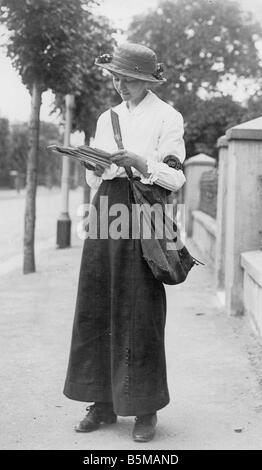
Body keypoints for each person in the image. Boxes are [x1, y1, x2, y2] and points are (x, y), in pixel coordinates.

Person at [63, 42, 186, 442]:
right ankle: (101, 403)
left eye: (129, 80)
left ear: (147, 81)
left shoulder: (168, 117)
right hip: (105, 211)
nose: (120, 86)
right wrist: (93, 167)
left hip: (144, 212)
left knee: (140, 307)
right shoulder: (106, 117)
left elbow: (175, 178)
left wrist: (141, 162)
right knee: (97, 302)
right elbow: (96, 180)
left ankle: (144, 408)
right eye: (116, 78)